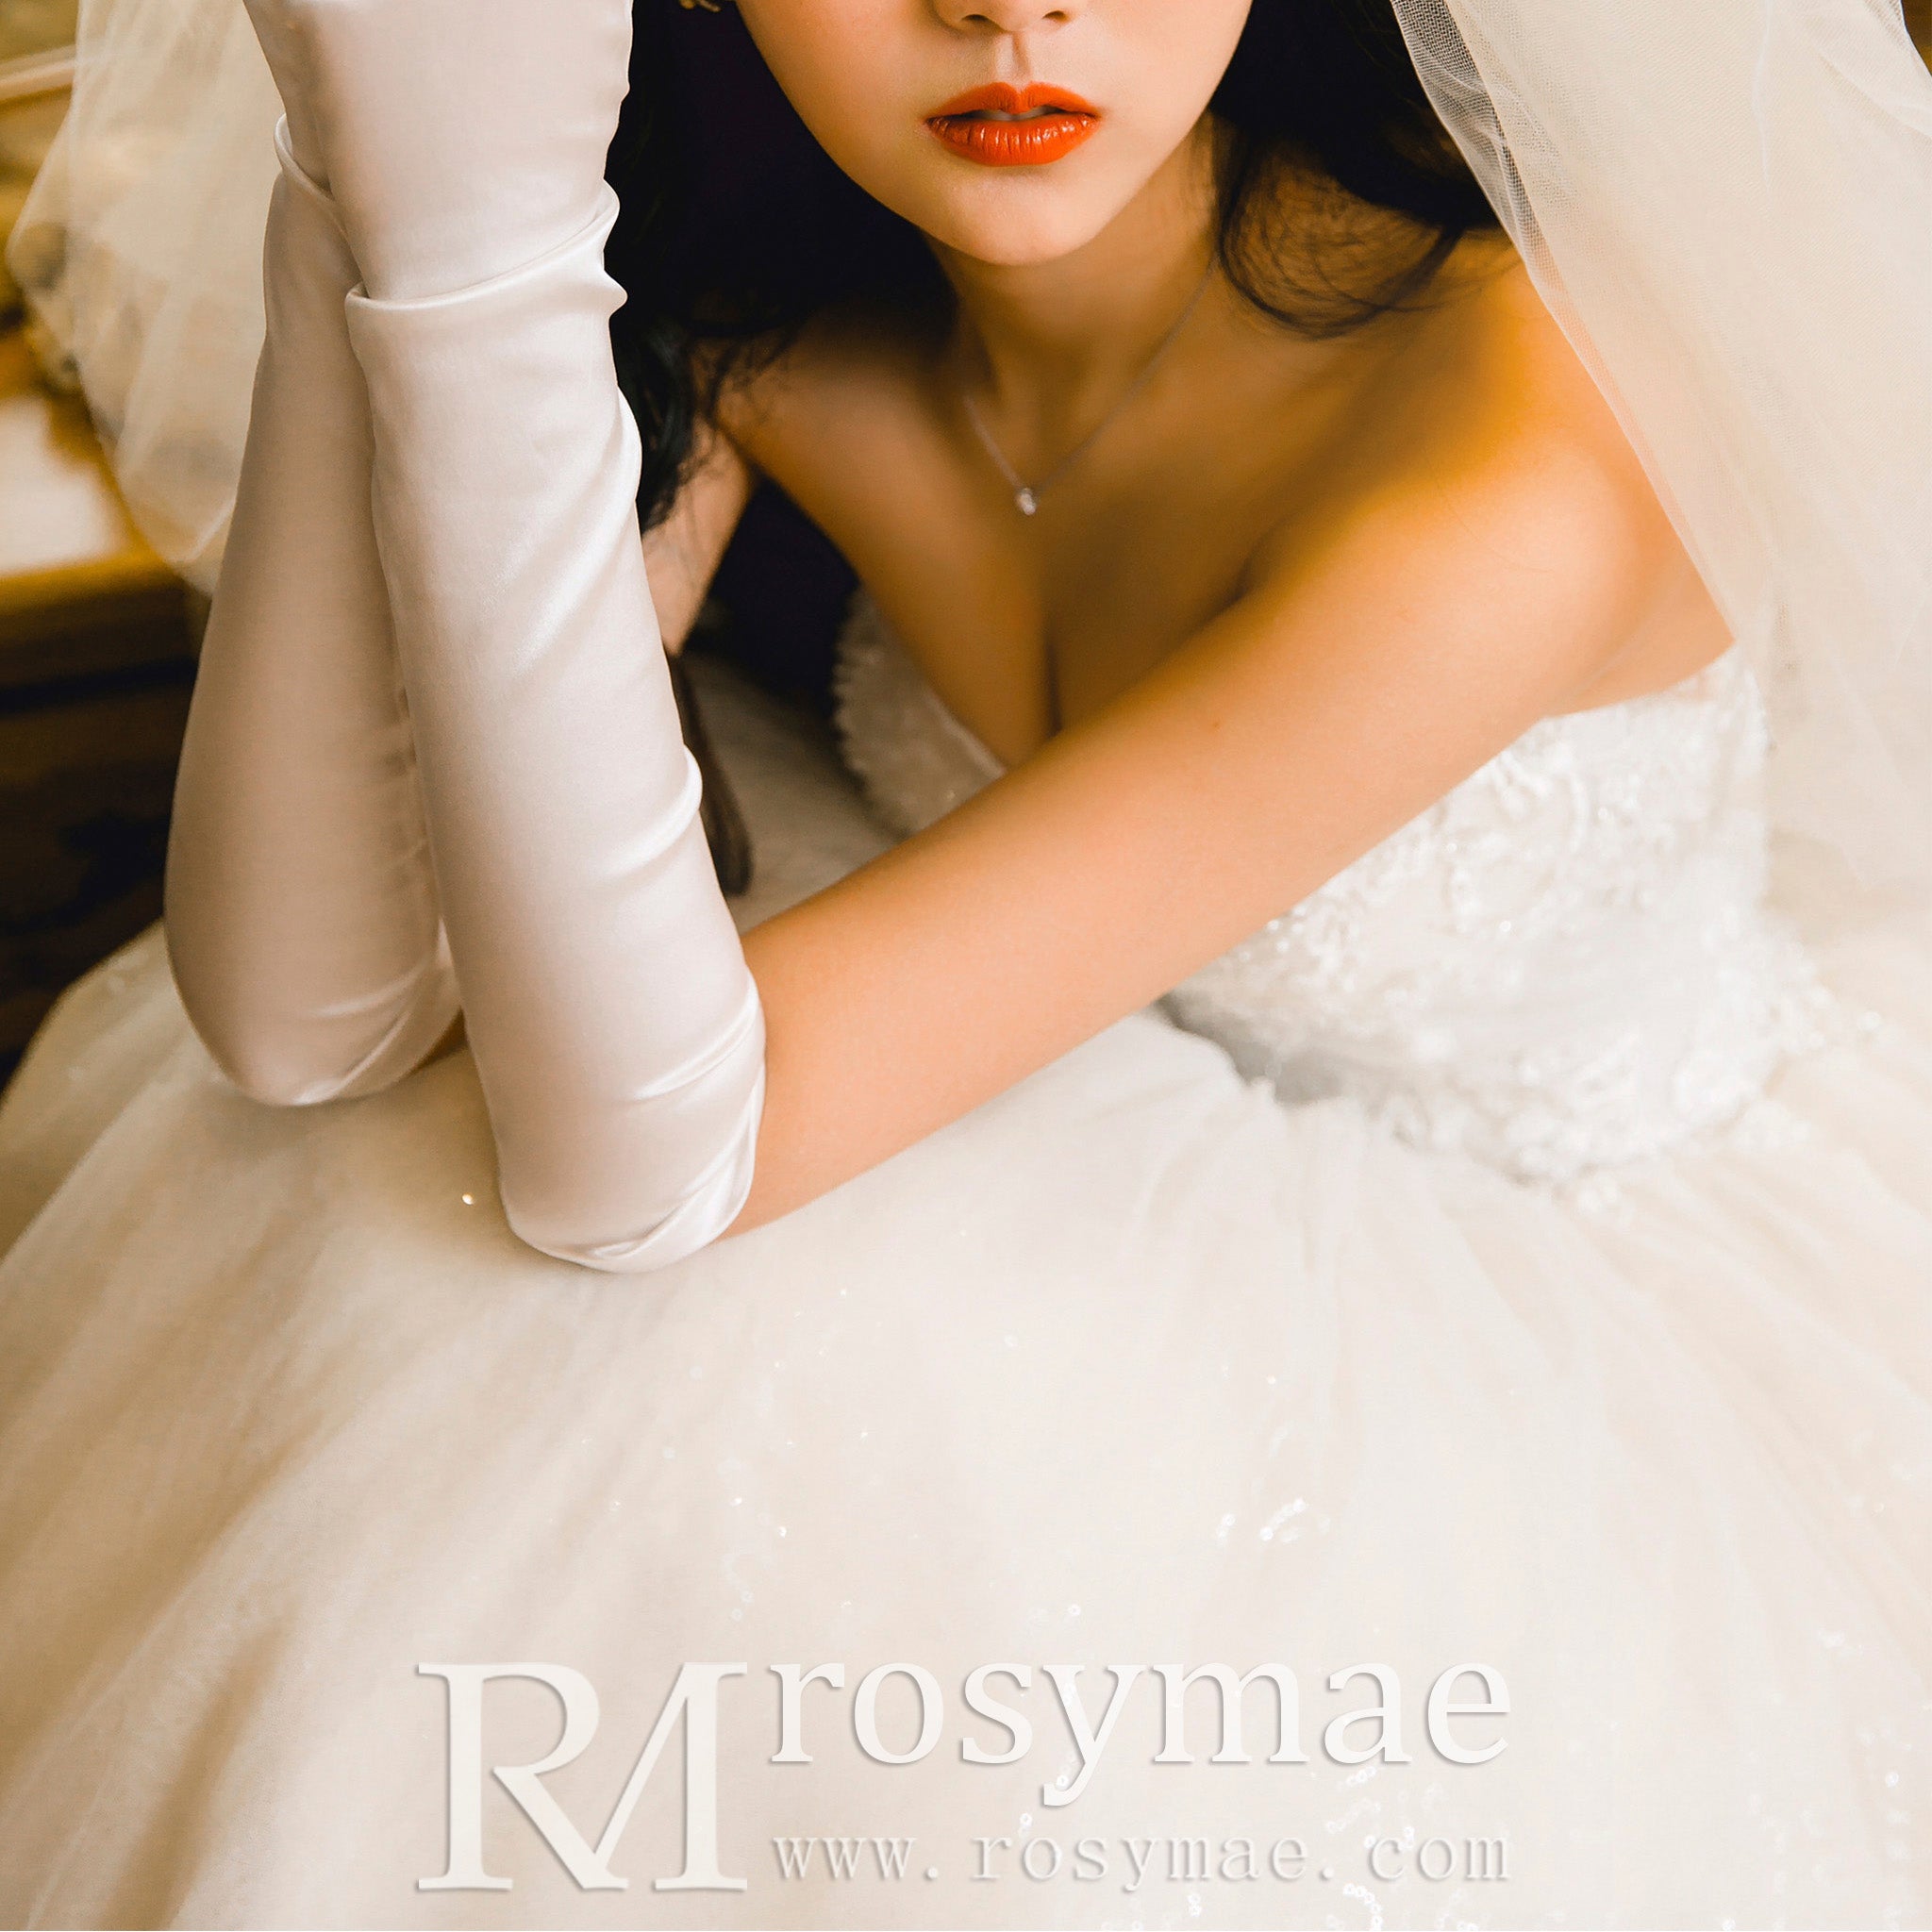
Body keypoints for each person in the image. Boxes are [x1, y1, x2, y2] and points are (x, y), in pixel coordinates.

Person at [0, 0, 1927, 1924]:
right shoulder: (790, 299)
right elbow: (303, 1021)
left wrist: (471, 262)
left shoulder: (1520, 457)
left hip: (1577, 1317)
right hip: (1082, 1149)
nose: (1010, 10)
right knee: (373, 1216)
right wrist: (374, 202)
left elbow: (644, 1170)